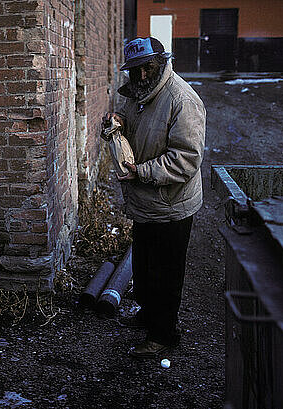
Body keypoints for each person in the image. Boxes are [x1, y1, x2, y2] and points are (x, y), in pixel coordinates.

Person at [103, 37, 206, 358]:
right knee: (145, 268)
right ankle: (149, 317)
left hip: (172, 206)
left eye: (148, 68)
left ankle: (163, 335)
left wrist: (141, 172)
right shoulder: (141, 94)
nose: (142, 76)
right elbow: (130, 114)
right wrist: (117, 120)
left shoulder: (181, 100)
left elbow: (187, 159)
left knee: (165, 274)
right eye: (135, 71)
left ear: (161, 63)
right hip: (146, 204)